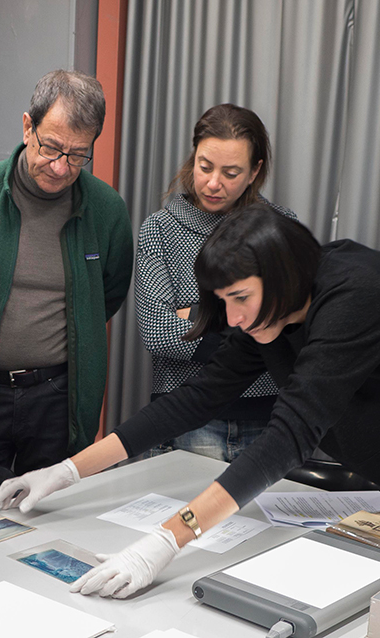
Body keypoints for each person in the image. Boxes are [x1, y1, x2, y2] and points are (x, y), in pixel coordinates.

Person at [0, 205, 380, 599]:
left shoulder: (357, 294)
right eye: (224, 301)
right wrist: (67, 471)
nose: (232, 318)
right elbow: (196, 399)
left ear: (282, 276)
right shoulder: (271, 308)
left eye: (240, 297)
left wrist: (167, 540)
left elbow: (292, 433)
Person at [0, 69, 134, 475]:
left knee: (46, 523)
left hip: (57, 400)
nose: (61, 167)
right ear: (28, 127)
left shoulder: (106, 210)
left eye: (77, 154)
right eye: (52, 147)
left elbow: (106, 295)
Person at [135, 104, 297, 461]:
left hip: (269, 418)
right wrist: (252, 327)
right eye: (205, 166)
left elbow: (293, 321)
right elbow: (157, 332)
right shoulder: (160, 229)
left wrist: (194, 314)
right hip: (186, 418)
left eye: (231, 172)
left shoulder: (280, 227)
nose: (212, 183)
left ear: (254, 172)